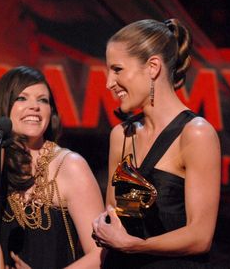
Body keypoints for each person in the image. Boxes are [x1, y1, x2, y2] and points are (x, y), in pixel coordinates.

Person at [91, 18, 221, 268]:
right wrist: (104, 228)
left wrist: (135, 245)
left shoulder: (195, 134)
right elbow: (115, 217)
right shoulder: (121, 135)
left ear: (152, 67)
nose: (108, 82)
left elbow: (200, 237)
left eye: (117, 69)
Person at [0, 66, 105, 269]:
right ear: (4, 105)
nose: (35, 106)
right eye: (22, 98)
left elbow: (100, 254)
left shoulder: (70, 166)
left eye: (43, 100)